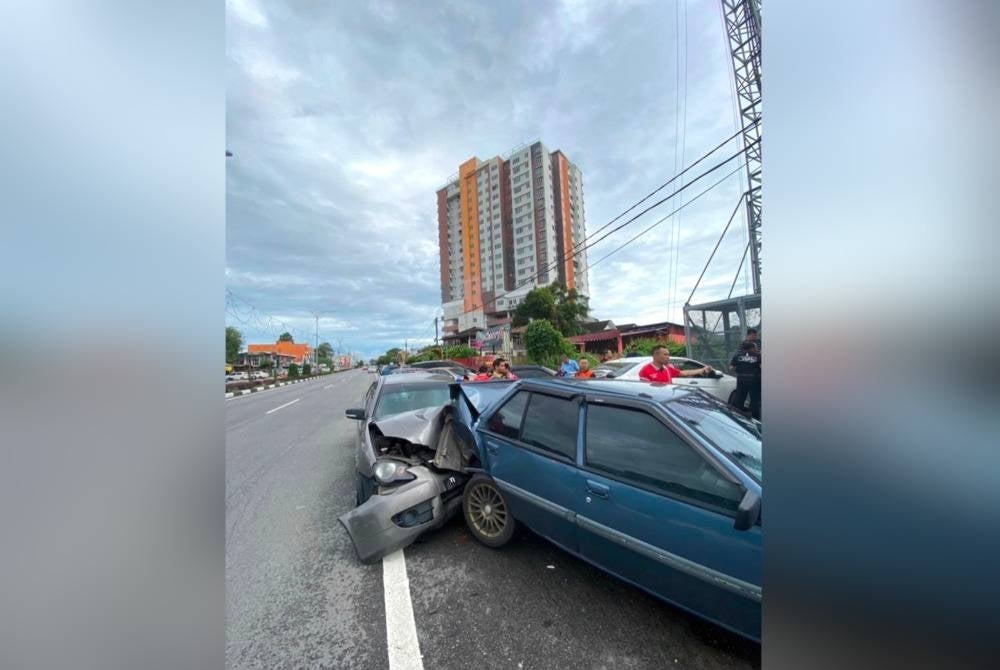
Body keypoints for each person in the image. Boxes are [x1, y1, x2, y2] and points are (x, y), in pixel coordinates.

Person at [638, 345, 713, 383]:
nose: (668, 357)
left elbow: (684, 373)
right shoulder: (645, 371)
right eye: (665, 355)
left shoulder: (666, 368)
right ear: (655, 355)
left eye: (668, 355)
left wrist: (702, 369)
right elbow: (646, 391)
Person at [729, 340, 761, 420]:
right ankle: (755, 419)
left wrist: (740, 369)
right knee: (755, 400)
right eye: (755, 347)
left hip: (741, 380)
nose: (756, 349)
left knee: (740, 399)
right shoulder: (758, 356)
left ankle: (739, 418)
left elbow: (731, 368)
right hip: (755, 380)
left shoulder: (737, 356)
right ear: (752, 348)